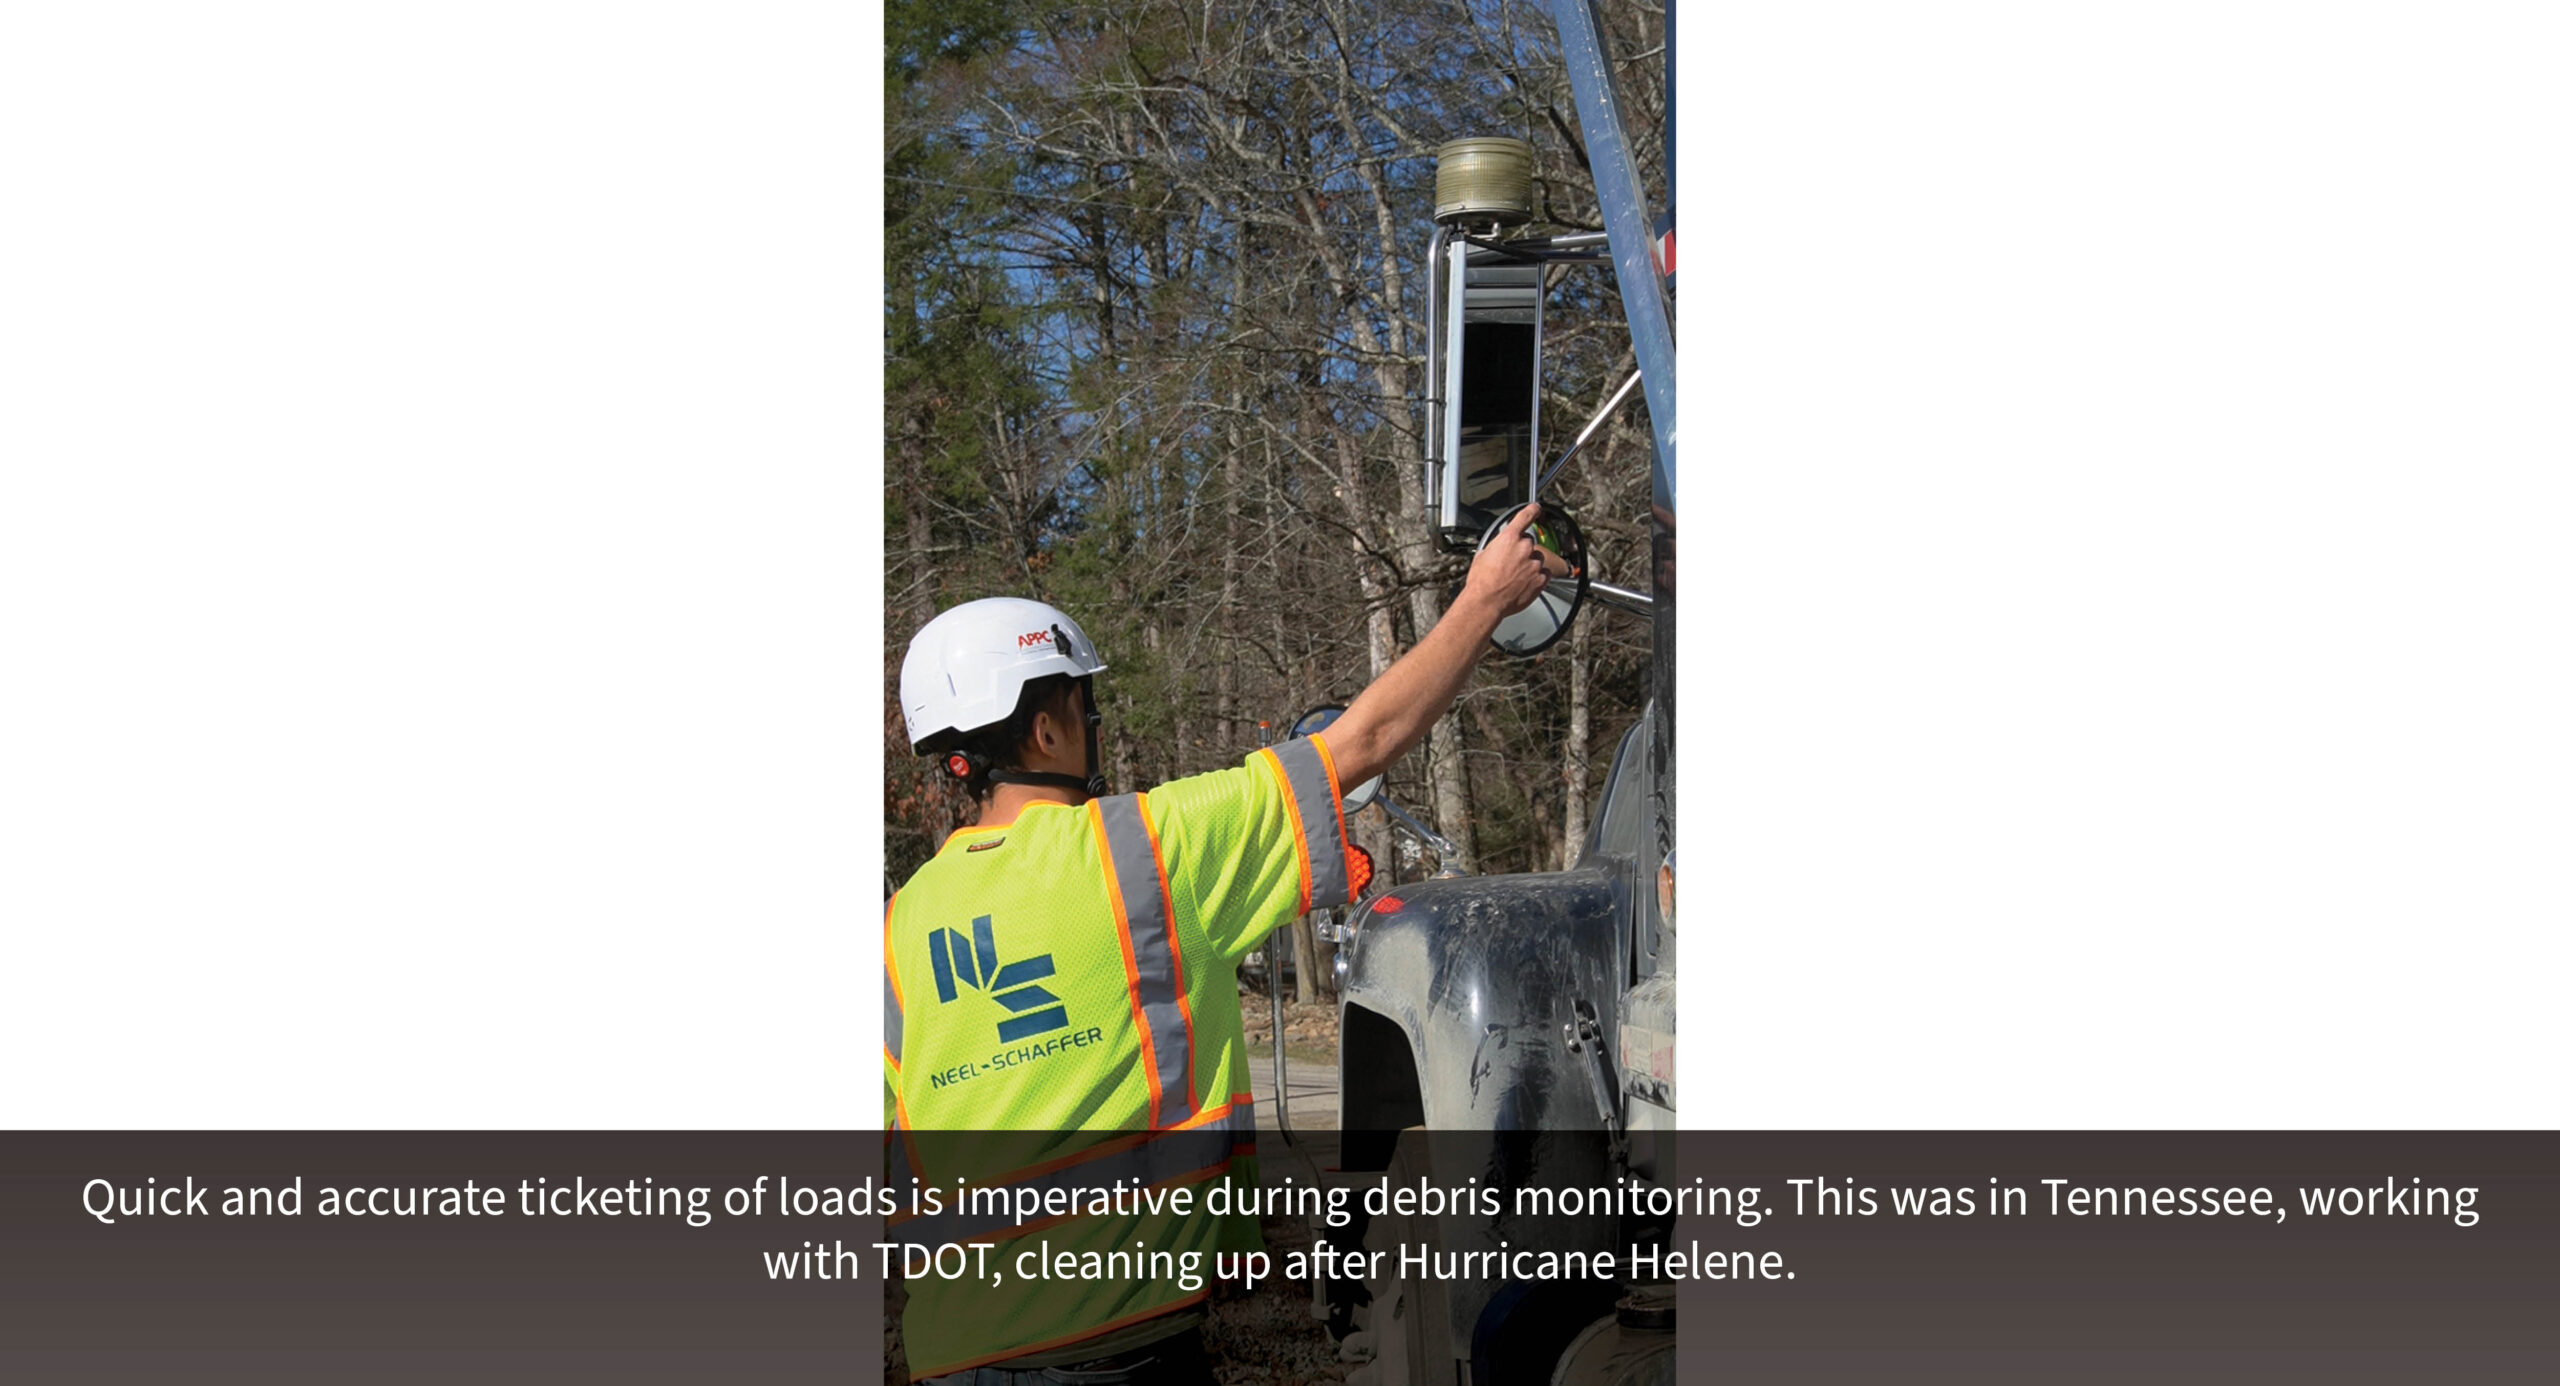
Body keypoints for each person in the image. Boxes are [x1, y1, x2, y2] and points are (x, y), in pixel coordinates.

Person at [885, 505, 1554, 1382]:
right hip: (1112, 1356)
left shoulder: (899, 929)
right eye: (1081, 707)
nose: (1092, 727)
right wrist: (1484, 600)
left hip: (953, 1353)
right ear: (1043, 729)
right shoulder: (1144, 852)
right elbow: (1364, 741)